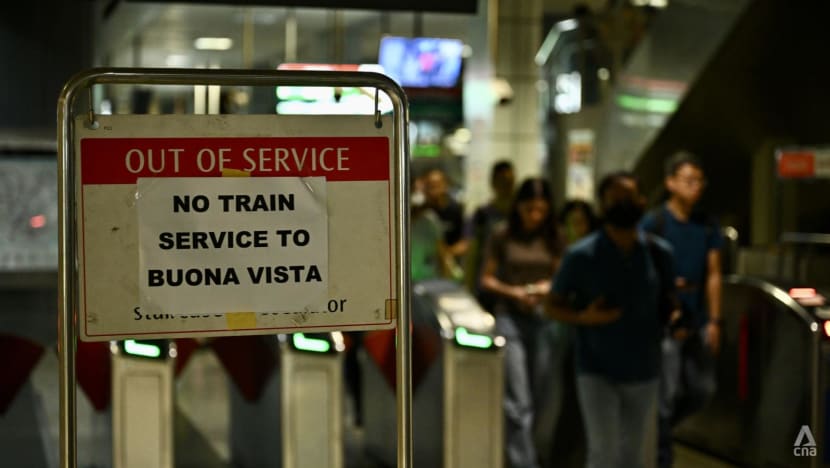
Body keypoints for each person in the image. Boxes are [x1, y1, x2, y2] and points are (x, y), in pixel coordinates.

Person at [545, 171, 676, 468]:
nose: (623, 204)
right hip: (596, 368)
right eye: (615, 198)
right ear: (603, 204)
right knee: (603, 453)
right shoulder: (581, 255)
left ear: (642, 201)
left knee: (633, 456)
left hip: (644, 369)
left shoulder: (659, 254)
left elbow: (669, 301)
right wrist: (584, 317)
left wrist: (677, 319)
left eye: (629, 197)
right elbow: (551, 306)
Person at [641, 151, 723, 468]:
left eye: (700, 181)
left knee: (702, 389)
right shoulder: (655, 222)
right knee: (666, 394)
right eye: (689, 180)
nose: (696, 186)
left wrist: (714, 320)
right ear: (671, 182)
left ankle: (657, 435)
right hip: (666, 320)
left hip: (697, 317)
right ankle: (662, 457)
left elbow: (714, 272)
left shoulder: (707, 225)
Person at [480, 178, 562, 468]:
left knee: (542, 396)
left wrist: (544, 288)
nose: (535, 216)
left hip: (543, 318)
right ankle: (523, 463)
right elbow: (486, 278)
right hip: (510, 317)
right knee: (519, 398)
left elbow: (561, 275)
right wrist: (514, 292)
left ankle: (534, 454)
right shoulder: (502, 234)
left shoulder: (553, 236)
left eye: (541, 210)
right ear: (519, 207)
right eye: (530, 209)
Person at [534, 199, 599, 467]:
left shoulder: (593, 254)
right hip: (557, 332)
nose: (576, 228)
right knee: (556, 397)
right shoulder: (561, 251)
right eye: (571, 223)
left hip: (581, 337)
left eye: (581, 222)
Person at [465, 160, 516, 309]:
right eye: (502, 181)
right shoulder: (482, 214)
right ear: (493, 182)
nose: (505, 185)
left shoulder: (521, 214)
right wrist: (469, 287)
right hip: (487, 288)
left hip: (514, 286)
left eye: (509, 181)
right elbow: (473, 252)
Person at [422, 167, 467, 276]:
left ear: (445, 185)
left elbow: (465, 243)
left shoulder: (455, 210)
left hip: (450, 268)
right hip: (425, 269)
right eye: (430, 186)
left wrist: (446, 254)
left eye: (437, 185)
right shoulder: (421, 212)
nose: (434, 190)